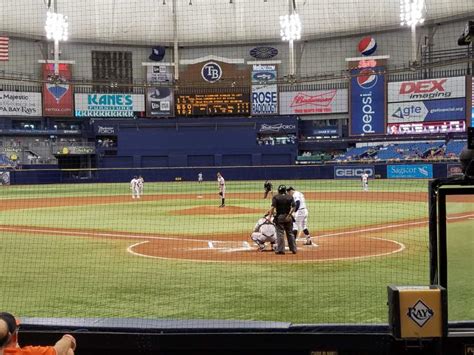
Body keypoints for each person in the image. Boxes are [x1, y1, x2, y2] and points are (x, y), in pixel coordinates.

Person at [0, 312, 76, 355]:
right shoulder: (27, 353)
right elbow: (59, 351)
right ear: (11, 336)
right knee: (68, 351)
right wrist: (68, 338)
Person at [266, 185, 297, 255]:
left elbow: (272, 207)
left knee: (280, 234)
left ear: (279, 191)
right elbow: (294, 207)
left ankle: (281, 250)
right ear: (285, 190)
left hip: (279, 217)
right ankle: (294, 249)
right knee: (290, 233)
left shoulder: (276, 197)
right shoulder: (290, 197)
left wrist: (269, 217)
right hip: (288, 218)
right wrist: (289, 215)